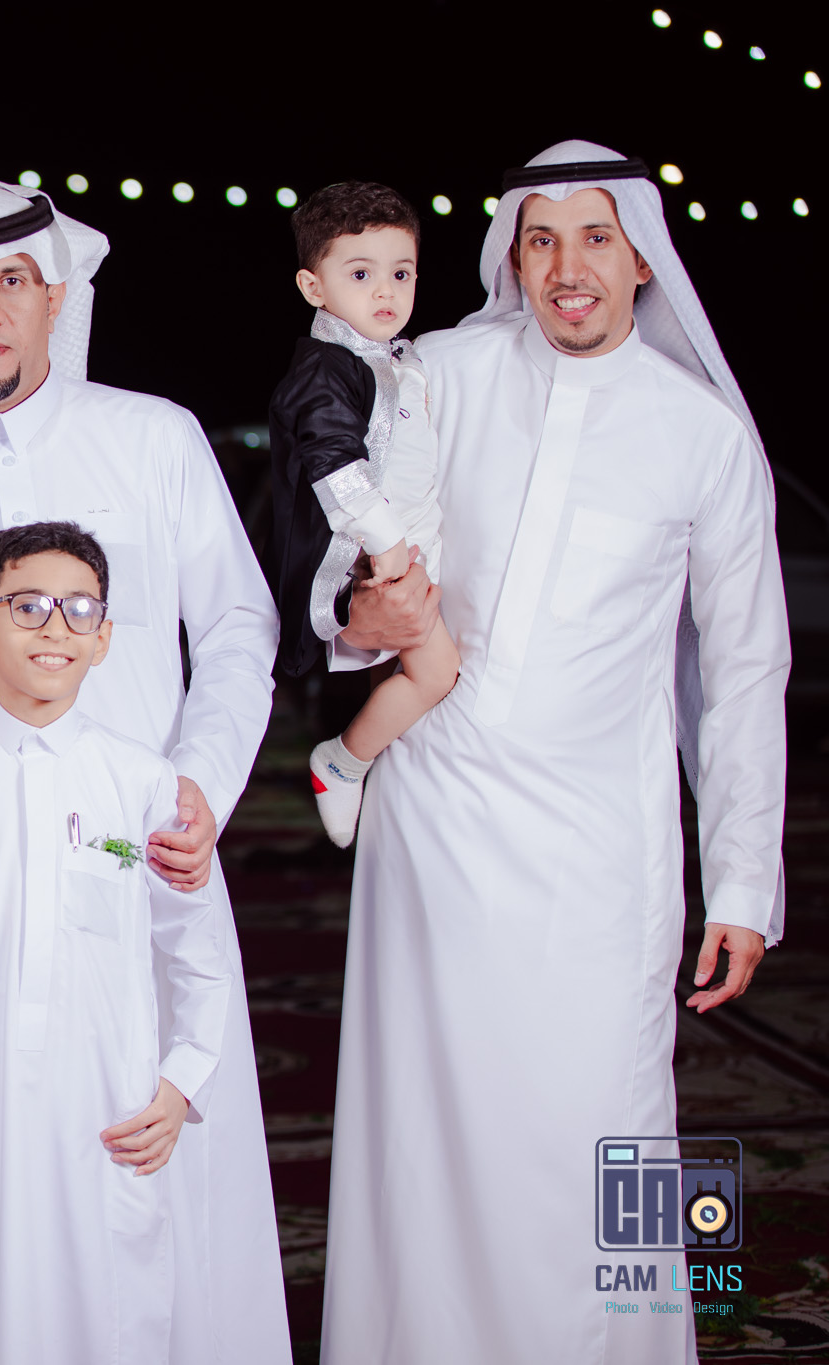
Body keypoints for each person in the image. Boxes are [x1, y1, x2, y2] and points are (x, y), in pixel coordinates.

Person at [320, 142, 786, 1365]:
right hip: (431, 825)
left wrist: (741, 882)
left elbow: (743, 668)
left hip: (599, 850)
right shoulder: (439, 373)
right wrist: (356, 616)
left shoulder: (701, 435)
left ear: (641, 260)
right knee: (424, 1144)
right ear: (511, 259)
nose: (566, 267)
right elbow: (341, 572)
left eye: (593, 239)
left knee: (607, 1128)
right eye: (539, 240)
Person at [0, 175, 291, 1363]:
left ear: (57, 298)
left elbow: (236, 626)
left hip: (144, 859)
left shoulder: (152, 438)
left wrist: (197, 786)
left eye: (10, 282)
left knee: (161, 1174)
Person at [0, 522, 231, 1365]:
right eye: (27, 606)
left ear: (104, 638)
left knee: (113, 1325)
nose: (55, 626)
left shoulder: (144, 783)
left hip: (110, 1122)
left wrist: (181, 1083)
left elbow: (198, 956)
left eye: (79, 609)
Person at [263, 182, 459, 846]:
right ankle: (344, 761)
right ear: (312, 286)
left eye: (401, 273)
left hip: (414, 546)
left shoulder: (399, 358)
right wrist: (389, 545)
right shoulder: (325, 369)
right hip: (377, 557)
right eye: (360, 274)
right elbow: (334, 467)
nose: (385, 291)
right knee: (436, 672)